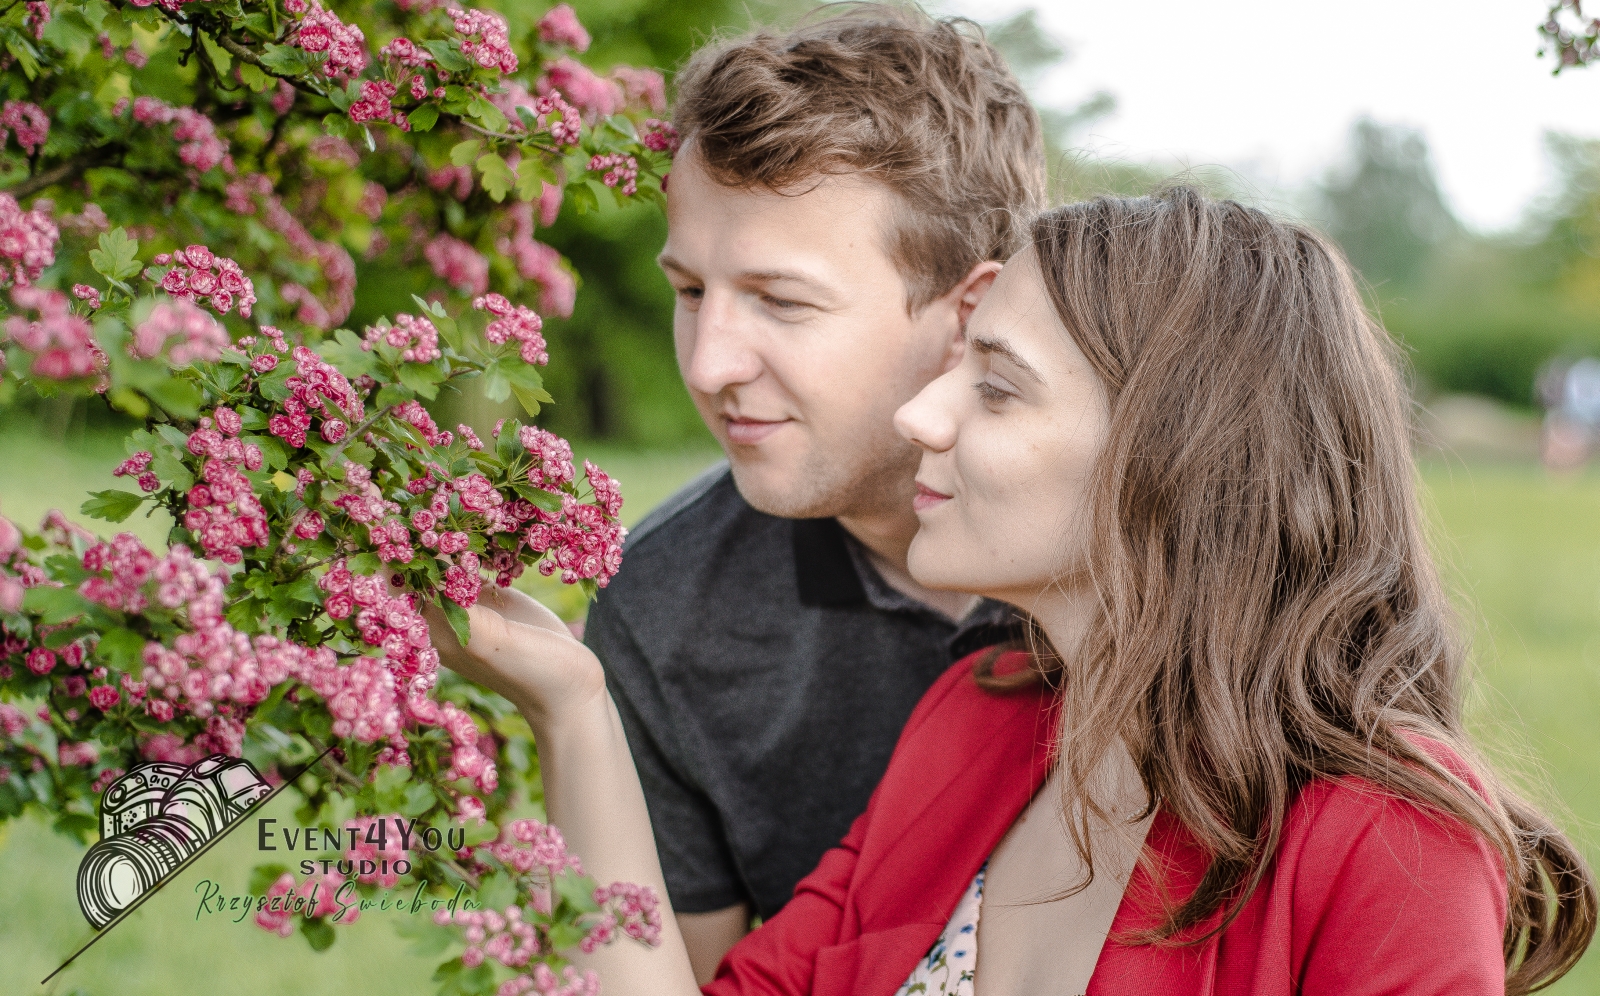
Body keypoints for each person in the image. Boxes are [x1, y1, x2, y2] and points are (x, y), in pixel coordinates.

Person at [430, 187, 1597, 995]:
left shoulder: (1387, 842)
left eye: (994, 389)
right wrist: (571, 708)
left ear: (1168, 457)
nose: (918, 417)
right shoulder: (981, 720)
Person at [579, 5, 1046, 978]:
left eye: (780, 301)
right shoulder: (662, 610)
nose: (707, 366)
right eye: (691, 291)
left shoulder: (1166, 553)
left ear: (970, 314)